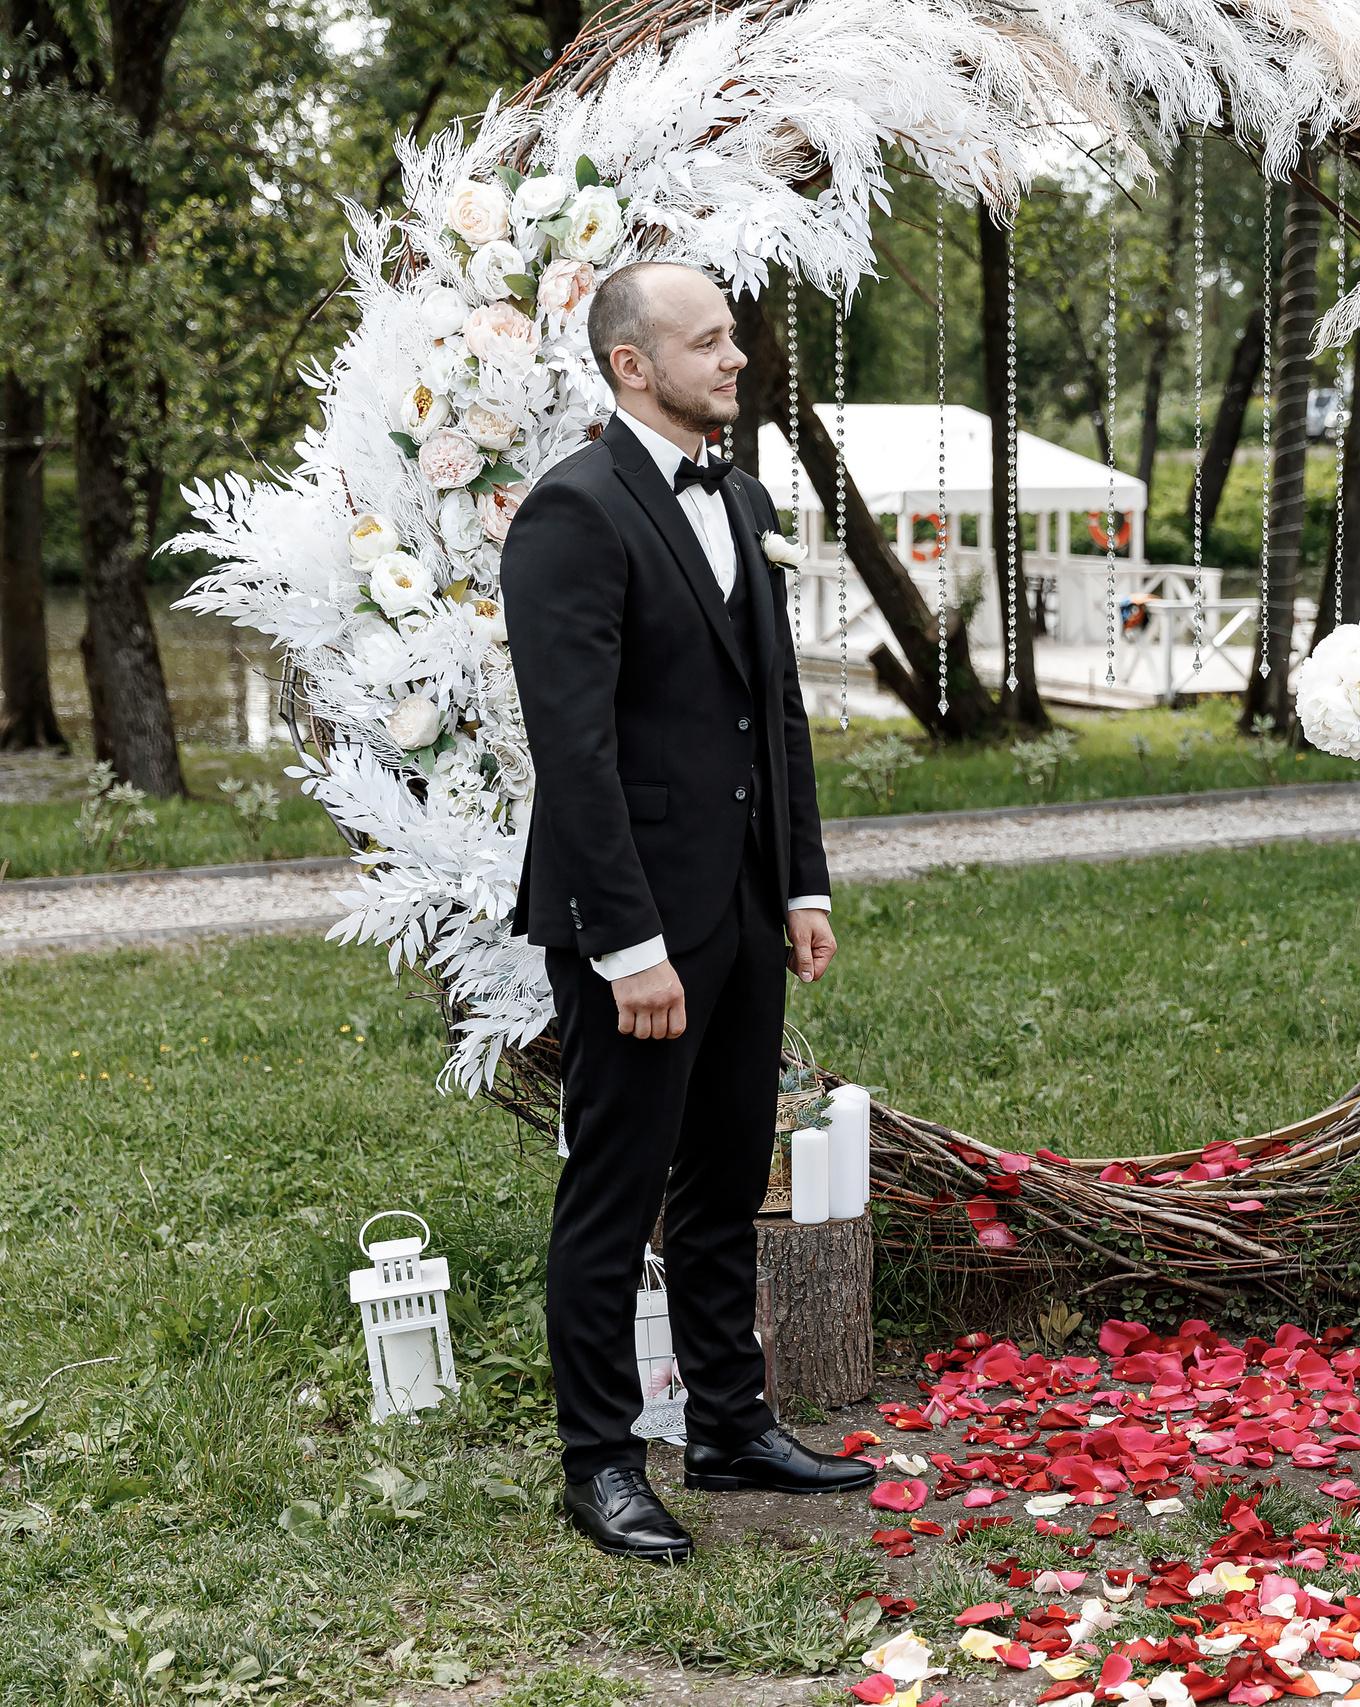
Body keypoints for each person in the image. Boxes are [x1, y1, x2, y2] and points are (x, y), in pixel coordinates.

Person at [502, 261, 875, 1563]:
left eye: (733, 337)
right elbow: (577, 752)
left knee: (723, 1180)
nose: (734, 357)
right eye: (706, 342)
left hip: (742, 909)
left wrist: (802, 879)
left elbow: (773, 708)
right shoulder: (571, 512)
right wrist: (628, 945)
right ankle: (599, 1459)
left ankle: (729, 1420)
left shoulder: (746, 495)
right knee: (615, 1193)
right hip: (637, 927)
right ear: (630, 364)